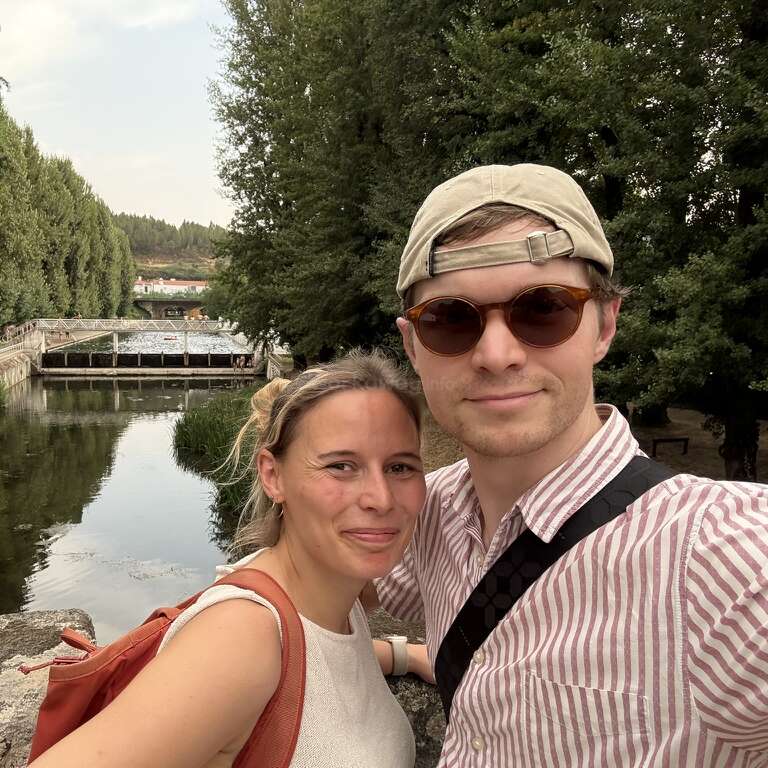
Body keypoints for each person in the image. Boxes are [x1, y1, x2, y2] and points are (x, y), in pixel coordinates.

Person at [374, 164, 768, 766]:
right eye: (452, 320)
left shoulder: (720, 558)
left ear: (604, 326)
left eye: (544, 310)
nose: (497, 354)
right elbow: (284, 585)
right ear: (412, 346)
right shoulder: (423, 511)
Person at [30, 351, 427, 768]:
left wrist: (406, 656)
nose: (381, 499)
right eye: (341, 466)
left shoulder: (340, 596)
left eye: (400, 467)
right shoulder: (241, 635)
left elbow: (324, 662)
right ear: (273, 476)